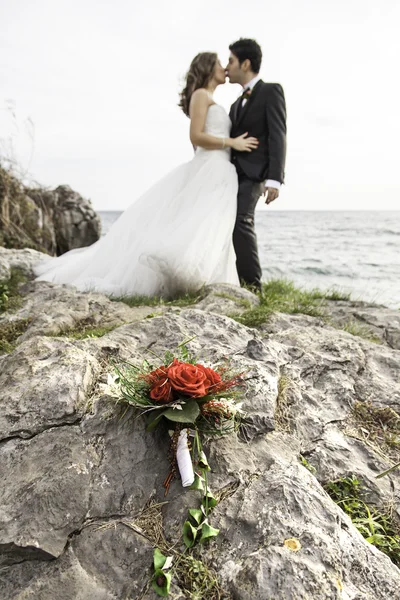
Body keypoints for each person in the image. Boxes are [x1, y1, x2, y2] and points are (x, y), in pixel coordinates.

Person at [34, 53, 258, 298]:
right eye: (219, 63)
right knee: (197, 221)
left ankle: (204, 275)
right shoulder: (201, 95)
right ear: (207, 68)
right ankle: (182, 276)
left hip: (218, 169)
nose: (224, 68)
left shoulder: (211, 98)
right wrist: (231, 142)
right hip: (211, 167)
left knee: (208, 225)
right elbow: (195, 137)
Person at [226, 38, 287, 292]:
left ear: (246, 62)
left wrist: (274, 179)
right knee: (229, 223)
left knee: (242, 220)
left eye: (230, 60)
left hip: (255, 175)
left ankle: (253, 288)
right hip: (231, 175)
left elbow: (278, 134)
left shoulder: (270, 91)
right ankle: (236, 281)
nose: (226, 66)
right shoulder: (234, 104)